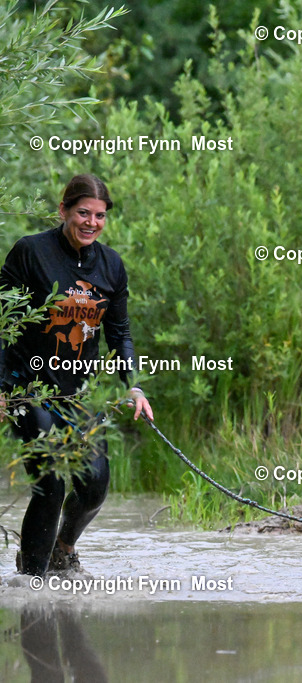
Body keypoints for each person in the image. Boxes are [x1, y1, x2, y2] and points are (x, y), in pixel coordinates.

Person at [0, 173, 153, 577]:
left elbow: (119, 332)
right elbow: (3, 321)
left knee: (95, 485)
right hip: (27, 388)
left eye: (100, 215)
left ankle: (62, 551)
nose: (91, 222)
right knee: (50, 482)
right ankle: (32, 580)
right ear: (63, 210)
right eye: (83, 212)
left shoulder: (111, 265)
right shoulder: (30, 253)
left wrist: (132, 385)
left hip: (79, 393)